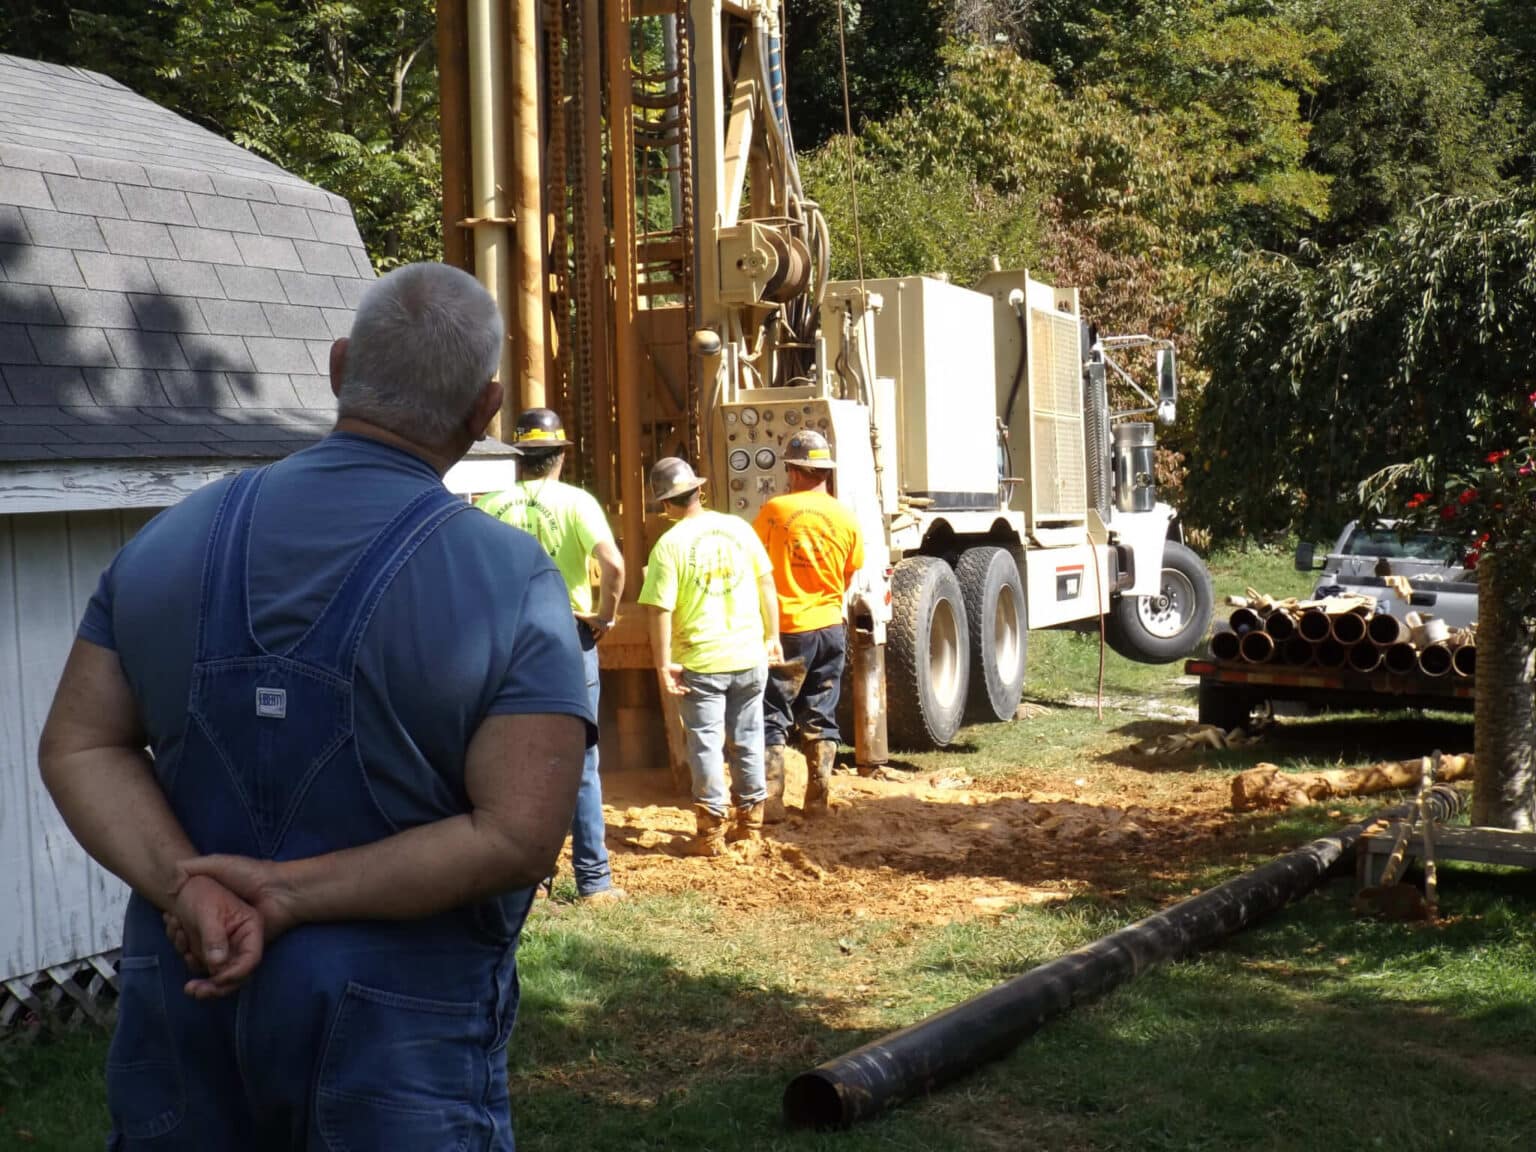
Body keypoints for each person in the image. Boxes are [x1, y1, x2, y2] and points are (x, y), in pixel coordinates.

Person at [37, 262, 593, 1152]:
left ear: (339, 368)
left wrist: (191, 887)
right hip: (394, 1042)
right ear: (486, 410)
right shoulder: (511, 579)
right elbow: (519, 836)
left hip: (186, 992)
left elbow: (78, 746)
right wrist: (285, 898)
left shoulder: (166, 542)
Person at [476, 408, 627, 902]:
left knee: (506, 759)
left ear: (518, 456)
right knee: (581, 759)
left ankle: (526, 883)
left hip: (502, 641)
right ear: (561, 455)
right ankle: (594, 881)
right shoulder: (578, 504)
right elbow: (614, 563)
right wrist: (604, 615)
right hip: (566, 637)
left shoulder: (488, 506)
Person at [637, 457, 781, 855]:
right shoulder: (738, 528)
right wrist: (774, 635)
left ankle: (711, 833)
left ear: (665, 504)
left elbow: (660, 610)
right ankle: (751, 825)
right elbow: (766, 582)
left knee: (705, 744)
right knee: (749, 738)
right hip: (749, 655)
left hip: (701, 661)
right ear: (699, 491)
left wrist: (662, 663)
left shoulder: (668, 546)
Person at [753, 429, 864, 819]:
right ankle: (817, 801)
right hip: (831, 627)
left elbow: (756, 567)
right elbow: (850, 573)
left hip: (788, 628)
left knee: (772, 713)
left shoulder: (775, 511)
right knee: (821, 711)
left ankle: (771, 801)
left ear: (796, 469)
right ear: (824, 471)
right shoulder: (846, 516)